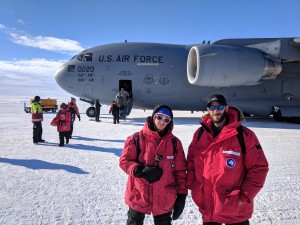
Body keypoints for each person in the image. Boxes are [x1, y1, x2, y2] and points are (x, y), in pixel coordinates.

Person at [186, 94, 269, 225]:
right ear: (208, 109)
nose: (215, 111)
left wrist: (244, 196)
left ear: (226, 108)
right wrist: (194, 186)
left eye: (219, 107)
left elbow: (259, 168)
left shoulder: (244, 135)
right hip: (209, 207)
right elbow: (190, 161)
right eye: (212, 107)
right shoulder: (200, 134)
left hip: (235, 208)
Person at [119, 105, 188, 225]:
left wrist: (182, 195)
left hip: (164, 196)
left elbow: (180, 171)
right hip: (138, 194)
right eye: (159, 117)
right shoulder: (136, 138)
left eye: (167, 120)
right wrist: (139, 170)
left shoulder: (175, 143)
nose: (162, 122)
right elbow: (124, 161)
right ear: (153, 117)